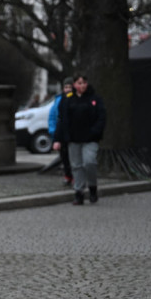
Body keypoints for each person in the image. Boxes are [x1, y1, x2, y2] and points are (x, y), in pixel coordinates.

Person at [52, 72, 106, 205]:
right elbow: (62, 119)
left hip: (90, 138)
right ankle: (79, 192)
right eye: (79, 83)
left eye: (84, 83)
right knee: (76, 166)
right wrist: (58, 139)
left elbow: (102, 117)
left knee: (89, 162)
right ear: (75, 85)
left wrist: (95, 131)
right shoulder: (68, 99)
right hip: (73, 138)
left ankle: (92, 187)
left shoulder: (94, 99)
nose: (82, 86)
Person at [47, 77, 74, 185]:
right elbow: (53, 117)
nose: (67, 89)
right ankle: (68, 175)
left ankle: (73, 176)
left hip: (72, 133)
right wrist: (53, 132)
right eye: (66, 87)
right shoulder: (59, 99)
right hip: (61, 132)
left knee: (73, 156)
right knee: (64, 156)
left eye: (70, 87)